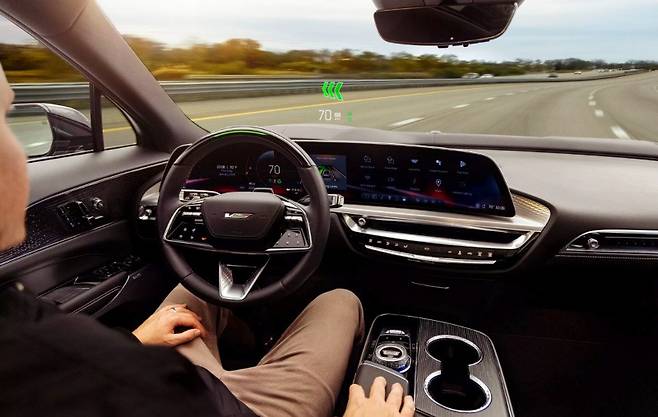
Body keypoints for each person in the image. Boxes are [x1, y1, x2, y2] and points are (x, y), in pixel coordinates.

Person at [0, 63, 415, 417]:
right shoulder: (46, 347)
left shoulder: (27, 339)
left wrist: (134, 342)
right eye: (5, 120)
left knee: (191, 291)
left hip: (191, 384)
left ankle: (250, 350)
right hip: (235, 408)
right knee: (340, 300)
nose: (20, 151)